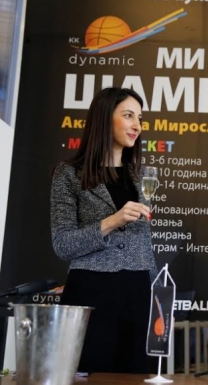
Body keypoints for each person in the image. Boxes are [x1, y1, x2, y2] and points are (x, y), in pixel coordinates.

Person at [50, 87, 157, 374]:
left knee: (137, 375)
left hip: (139, 292)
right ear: (104, 118)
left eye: (140, 118)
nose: (137, 125)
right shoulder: (68, 174)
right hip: (91, 291)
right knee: (88, 372)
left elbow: (143, 243)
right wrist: (112, 221)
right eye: (128, 116)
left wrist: (155, 290)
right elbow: (63, 244)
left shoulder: (139, 176)